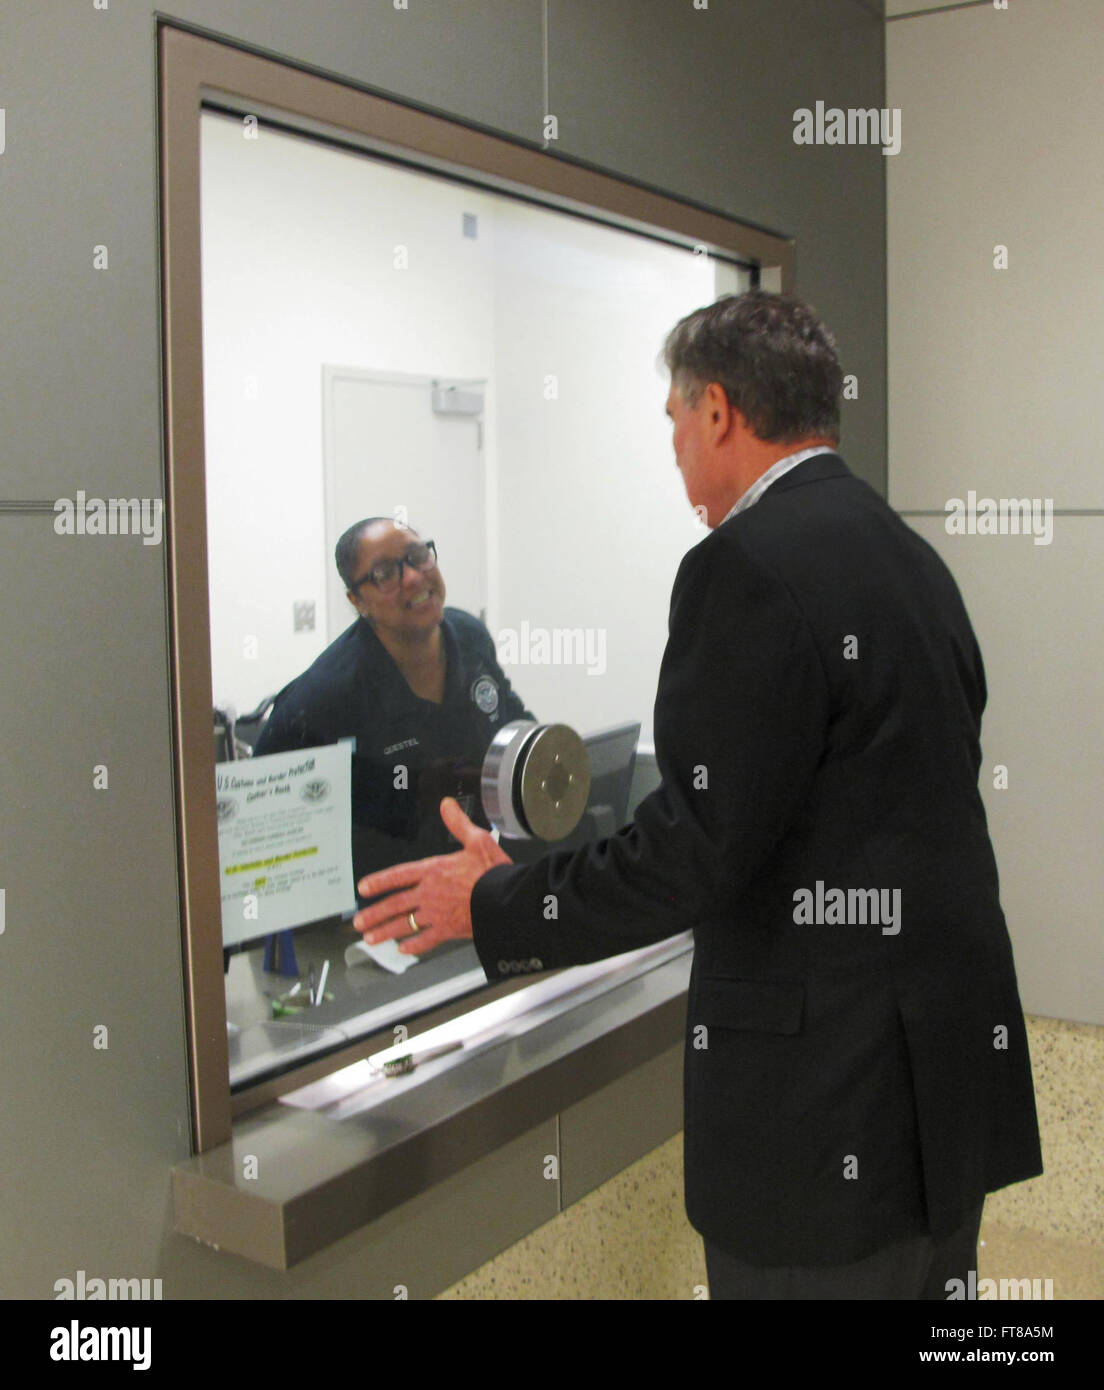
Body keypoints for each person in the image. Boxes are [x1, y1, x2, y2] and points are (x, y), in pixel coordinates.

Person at [353, 291, 1044, 1299]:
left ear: (717, 411)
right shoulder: (910, 559)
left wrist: (496, 901)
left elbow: (692, 851)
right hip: (939, 1092)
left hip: (826, 1127)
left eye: (675, 420)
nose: (674, 447)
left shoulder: (747, 568)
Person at [254, 518, 534, 879]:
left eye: (418, 556)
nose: (414, 577)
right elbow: (261, 803)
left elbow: (513, 729)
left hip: (474, 877)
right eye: (385, 573)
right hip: (382, 906)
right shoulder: (326, 694)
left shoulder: (469, 637)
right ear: (357, 600)